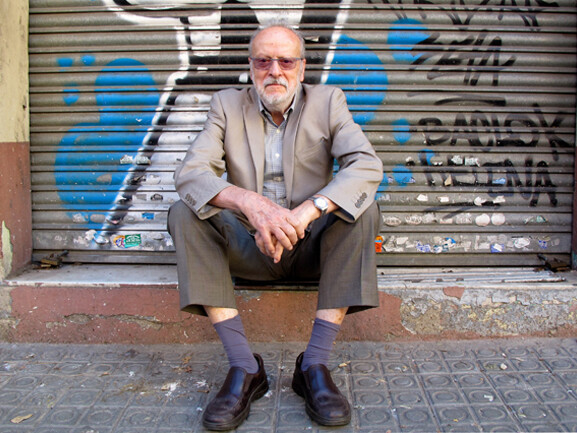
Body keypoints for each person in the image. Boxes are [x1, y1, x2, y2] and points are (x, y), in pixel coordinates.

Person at [168, 23, 383, 431]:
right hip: (250, 246)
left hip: (312, 247)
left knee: (364, 210)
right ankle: (245, 367)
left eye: (285, 61)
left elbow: (365, 165)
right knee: (184, 212)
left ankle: (314, 365)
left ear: (302, 67)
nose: (275, 71)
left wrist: (308, 211)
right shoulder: (226, 105)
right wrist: (251, 204)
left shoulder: (328, 101)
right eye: (264, 61)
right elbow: (191, 173)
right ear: (251, 66)